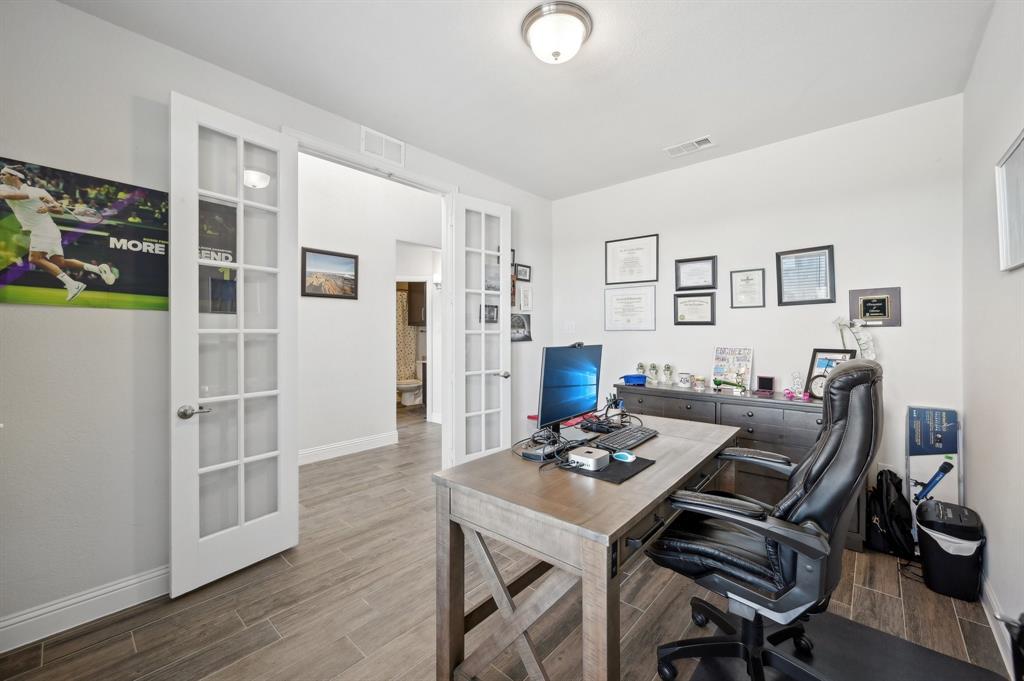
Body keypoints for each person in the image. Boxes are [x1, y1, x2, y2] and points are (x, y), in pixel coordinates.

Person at [0, 165, 118, 301]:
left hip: (44, 228)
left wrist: (49, 207)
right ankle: (98, 270)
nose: (1, 177)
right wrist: (38, 196)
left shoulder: (38, 190)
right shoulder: (10, 189)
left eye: (4, 174)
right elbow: (4, 195)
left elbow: (60, 210)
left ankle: (72, 284)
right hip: (45, 230)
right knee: (59, 262)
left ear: (15, 176)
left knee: (35, 259)